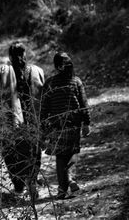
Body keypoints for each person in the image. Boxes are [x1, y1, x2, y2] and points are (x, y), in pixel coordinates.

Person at [0, 42, 44, 200]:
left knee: (12, 153)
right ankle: (32, 181)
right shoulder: (37, 71)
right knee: (33, 152)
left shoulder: (4, 72)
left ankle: (19, 186)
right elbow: (44, 97)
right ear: (25, 54)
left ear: (9, 56)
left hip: (11, 122)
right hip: (33, 121)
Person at [40, 52, 91, 199]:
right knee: (69, 154)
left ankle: (63, 188)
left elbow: (44, 107)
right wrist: (86, 122)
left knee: (61, 156)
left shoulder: (50, 83)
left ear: (56, 67)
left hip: (57, 125)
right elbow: (83, 104)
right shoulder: (76, 81)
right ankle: (68, 181)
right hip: (72, 124)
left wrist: (43, 126)